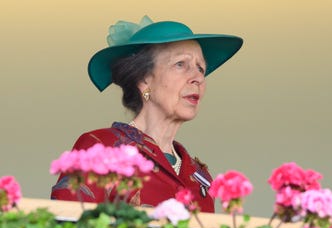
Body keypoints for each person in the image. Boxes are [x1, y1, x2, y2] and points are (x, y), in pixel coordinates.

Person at [50, 16, 243, 213]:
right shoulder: (102, 148)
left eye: (200, 68)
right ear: (144, 80)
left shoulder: (199, 175)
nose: (198, 78)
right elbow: (66, 227)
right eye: (180, 64)